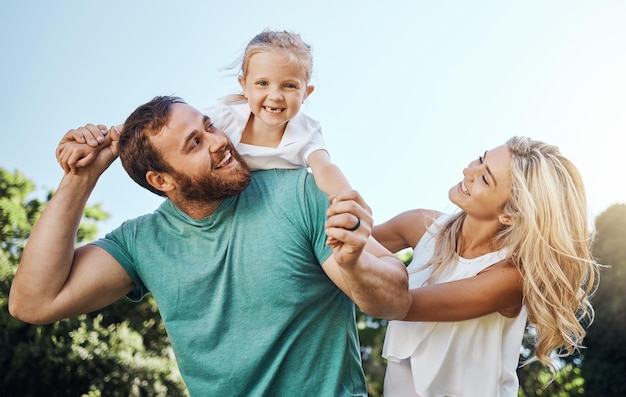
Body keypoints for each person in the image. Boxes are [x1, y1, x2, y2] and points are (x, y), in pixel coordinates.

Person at [9, 96, 411, 396]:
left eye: (209, 127)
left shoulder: (299, 192)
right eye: (194, 144)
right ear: (161, 181)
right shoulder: (142, 242)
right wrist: (80, 178)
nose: (218, 142)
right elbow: (33, 303)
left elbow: (394, 299)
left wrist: (355, 264)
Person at [372, 136, 600, 397]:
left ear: (509, 215)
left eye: (485, 178)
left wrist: (320, 159)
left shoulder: (509, 278)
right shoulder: (420, 226)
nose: (469, 171)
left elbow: (397, 304)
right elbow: (327, 246)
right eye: (480, 160)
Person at [57, 30, 352, 198]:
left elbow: (324, 168)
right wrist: (90, 141)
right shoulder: (222, 118)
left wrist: (345, 198)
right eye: (262, 83)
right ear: (244, 86)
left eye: (289, 86)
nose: (275, 96)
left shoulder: (306, 131)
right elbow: (150, 129)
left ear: (306, 93)